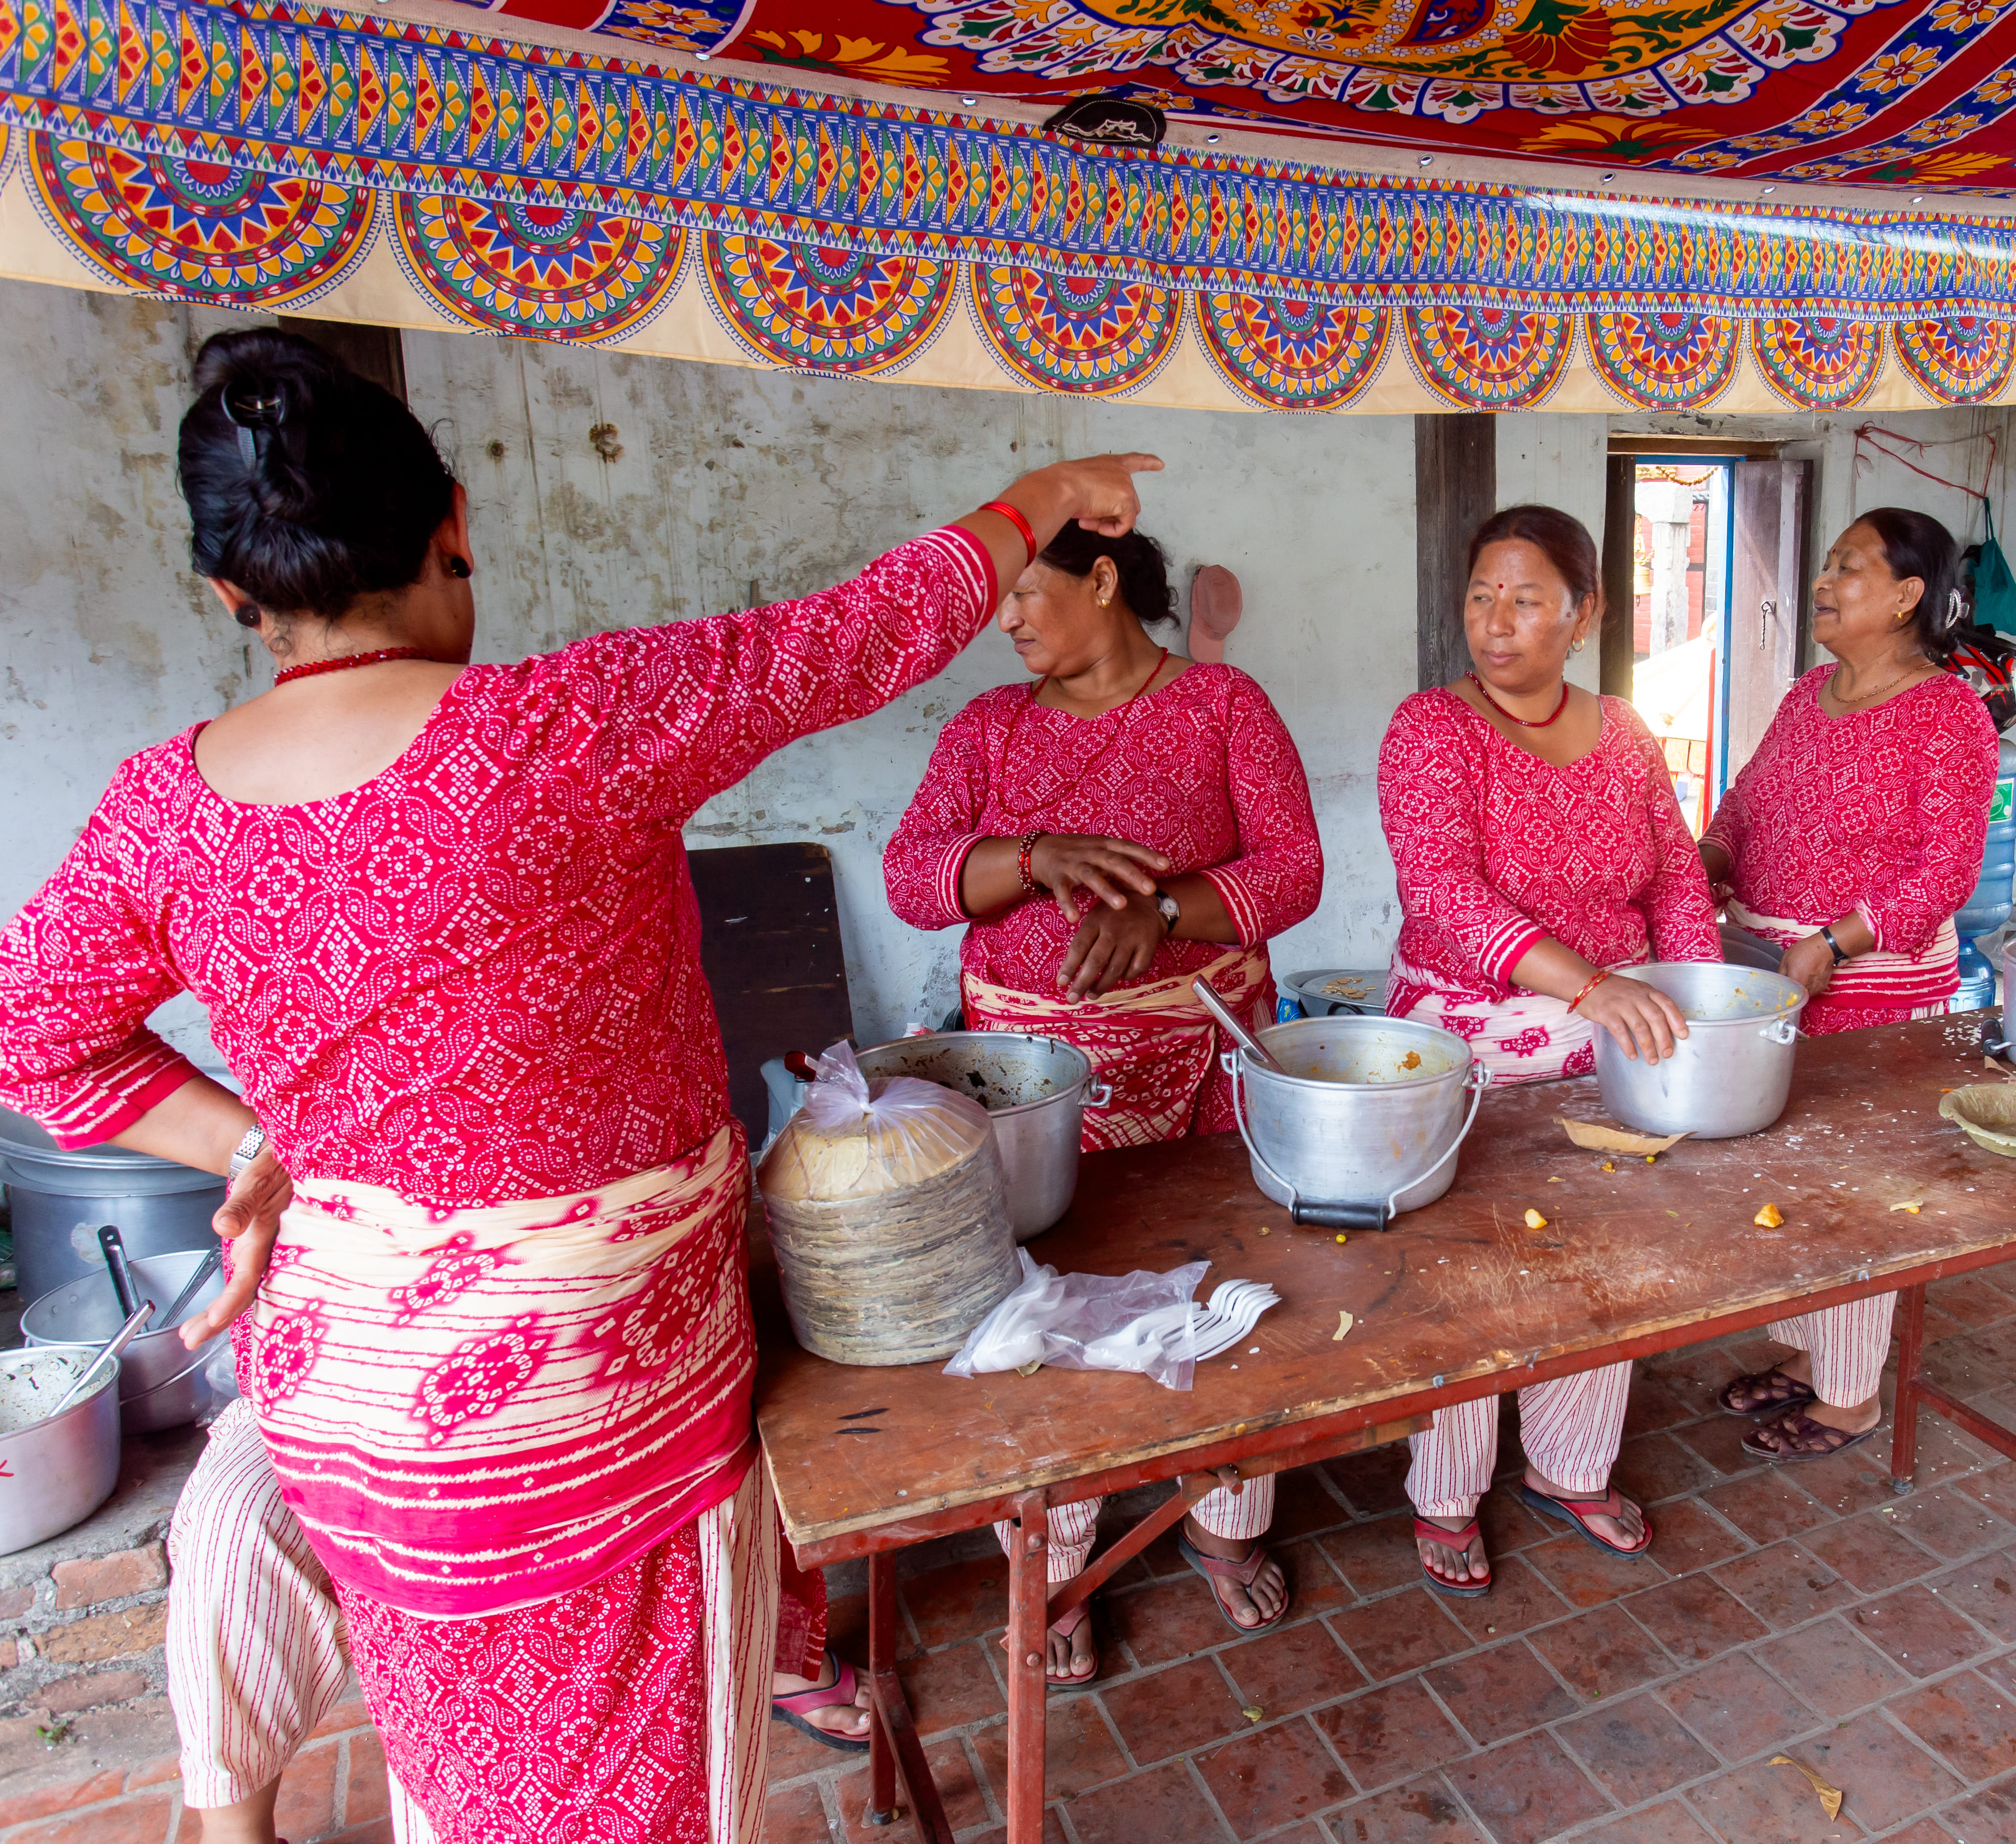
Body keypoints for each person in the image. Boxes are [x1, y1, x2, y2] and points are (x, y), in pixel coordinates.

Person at [0, 327, 1158, 1843]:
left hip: (353, 1420)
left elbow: (37, 1033)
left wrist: (259, 1143)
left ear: (234, 597)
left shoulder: (161, 808)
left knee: (468, 1777)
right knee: (615, 1802)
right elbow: (859, 632)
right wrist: (1048, 486)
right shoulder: (571, 725)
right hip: (579, 1417)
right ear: (456, 526)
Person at [883, 521, 1323, 1685]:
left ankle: (1224, 1522)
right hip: (1032, 1093)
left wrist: (1167, 911)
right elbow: (911, 875)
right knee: (1049, 1310)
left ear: (1102, 578)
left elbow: (1292, 868)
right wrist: (1033, 857)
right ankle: (1060, 1560)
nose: (1010, 620)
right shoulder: (990, 728)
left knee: (1224, 1278)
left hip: (1200, 1063)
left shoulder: (1223, 705)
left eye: (1026, 593)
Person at [1377, 503, 1716, 1596]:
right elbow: (1442, 892)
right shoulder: (1432, 729)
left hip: (1618, 1045)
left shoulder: (1623, 733)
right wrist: (1591, 984)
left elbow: (1673, 876)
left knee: (1600, 1259)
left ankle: (1571, 1467)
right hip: (1467, 1050)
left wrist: (1704, 1003)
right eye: (1482, 597)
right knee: (1474, 1274)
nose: (1497, 622)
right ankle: (1448, 1488)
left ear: (1585, 614)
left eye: (1526, 600)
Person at [1699, 508, 1997, 1463]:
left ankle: (1849, 1396)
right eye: (1825, 564)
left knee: (1860, 1192)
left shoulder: (1945, 710)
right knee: (1789, 1178)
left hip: (1871, 984)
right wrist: (1709, 854)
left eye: (1849, 568)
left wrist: (1837, 939)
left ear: (1909, 595)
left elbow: (1945, 867)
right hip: (1774, 972)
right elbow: (1747, 800)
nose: (1825, 582)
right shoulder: (1806, 696)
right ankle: (1807, 1343)